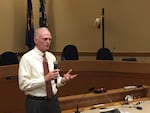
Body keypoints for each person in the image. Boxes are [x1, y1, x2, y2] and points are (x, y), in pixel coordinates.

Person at [18, 27, 77, 113]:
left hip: (52, 102)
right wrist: (45, 79)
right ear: (36, 40)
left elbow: (55, 81)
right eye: (45, 39)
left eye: (50, 39)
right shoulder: (27, 58)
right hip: (36, 103)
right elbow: (23, 85)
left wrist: (64, 80)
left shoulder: (51, 57)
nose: (48, 42)